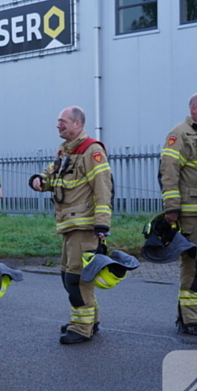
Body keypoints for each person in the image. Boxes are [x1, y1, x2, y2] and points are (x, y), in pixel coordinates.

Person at [29, 106, 112, 344]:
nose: (58, 125)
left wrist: (102, 225)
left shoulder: (92, 151)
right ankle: (88, 320)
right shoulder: (65, 151)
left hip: (85, 227)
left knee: (76, 279)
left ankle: (81, 327)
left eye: (62, 121)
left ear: (77, 124)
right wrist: (39, 180)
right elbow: (52, 176)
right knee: (69, 275)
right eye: (58, 121)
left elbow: (103, 189)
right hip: (68, 224)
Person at [159, 92, 197, 336]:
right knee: (196, 266)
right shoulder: (179, 134)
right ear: (194, 109)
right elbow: (169, 172)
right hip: (191, 210)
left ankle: (195, 313)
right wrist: (172, 208)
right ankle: (191, 320)